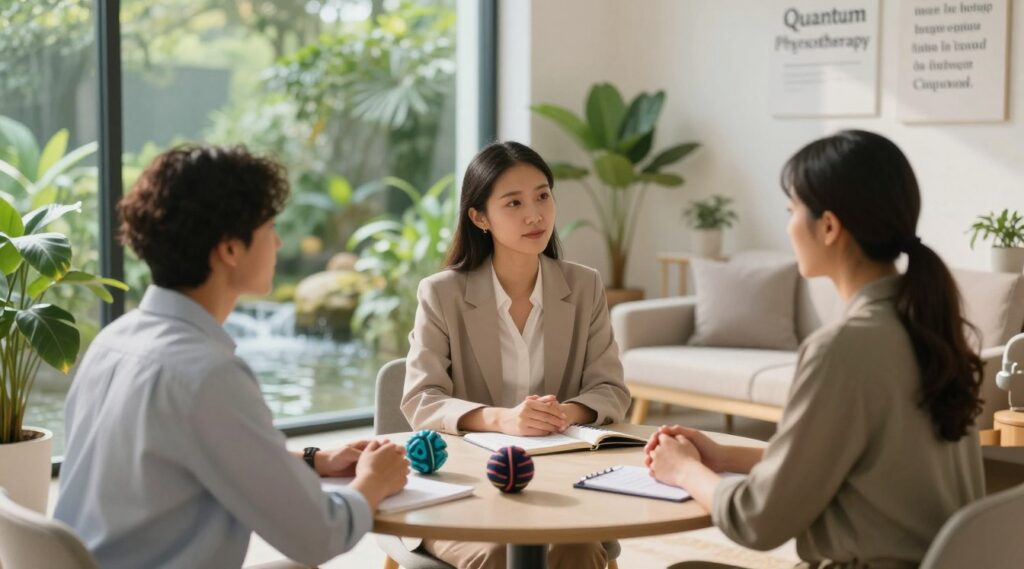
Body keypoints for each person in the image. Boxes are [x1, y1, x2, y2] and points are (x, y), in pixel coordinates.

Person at [55, 145, 409, 569]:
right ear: (230, 249)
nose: (278, 242)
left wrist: (316, 460)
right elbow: (320, 535)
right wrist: (374, 481)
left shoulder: (114, 342)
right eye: (270, 227)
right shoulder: (206, 375)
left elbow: (186, 453)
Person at [645, 130, 986, 569]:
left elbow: (758, 521)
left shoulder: (842, 348)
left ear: (828, 227)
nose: (788, 227)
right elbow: (847, 463)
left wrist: (684, 471)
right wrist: (724, 455)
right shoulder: (930, 326)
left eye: (791, 211)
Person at [402, 141, 631, 569]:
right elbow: (422, 399)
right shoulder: (441, 293)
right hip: (466, 490)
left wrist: (564, 414)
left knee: (577, 549)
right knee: (498, 554)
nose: (535, 214)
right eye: (514, 202)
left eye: (543, 195)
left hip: (565, 486)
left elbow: (611, 389)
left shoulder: (584, 286)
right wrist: (502, 418)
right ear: (479, 217)